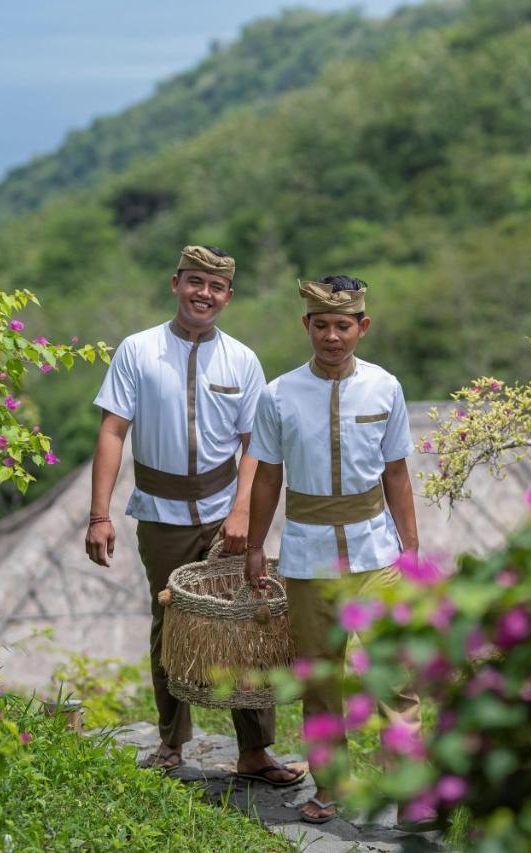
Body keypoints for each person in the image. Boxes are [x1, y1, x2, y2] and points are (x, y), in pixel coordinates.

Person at [85, 244, 303, 786]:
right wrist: (99, 515)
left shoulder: (242, 360)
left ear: (228, 295)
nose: (203, 293)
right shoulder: (138, 350)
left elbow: (256, 446)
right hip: (158, 513)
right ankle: (170, 742)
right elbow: (113, 431)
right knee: (169, 622)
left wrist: (239, 513)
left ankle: (254, 752)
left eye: (215, 286)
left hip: (223, 511)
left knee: (246, 626)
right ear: (175, 283)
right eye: (194, 282)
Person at [243, 275, 422, 825]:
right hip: (306, 556)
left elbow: (396, 473)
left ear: (361, 327)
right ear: (307, 326)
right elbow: (268, 477)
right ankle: (332, 786)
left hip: (377, 555)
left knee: (396, 678)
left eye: (343, 325)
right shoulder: (278, 395)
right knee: (320, 679)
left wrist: (411, 551)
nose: (332, 336)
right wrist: (255, 546)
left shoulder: (385, 388)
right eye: (321, 325)